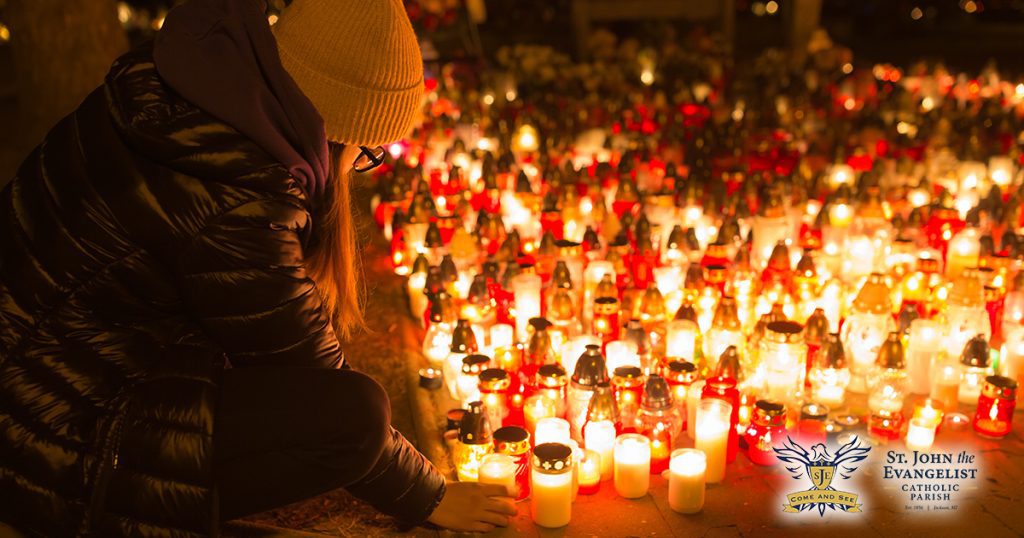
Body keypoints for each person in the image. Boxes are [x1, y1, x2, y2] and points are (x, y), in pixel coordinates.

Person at [0, 0, 515, 535]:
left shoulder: (179, 86)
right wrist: (427, 496)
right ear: (336, 127)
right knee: (354, 418)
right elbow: (305, 368)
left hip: (47, 365)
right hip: (46, 430)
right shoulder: (239, 195)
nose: (362, 169)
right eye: (369, 152)